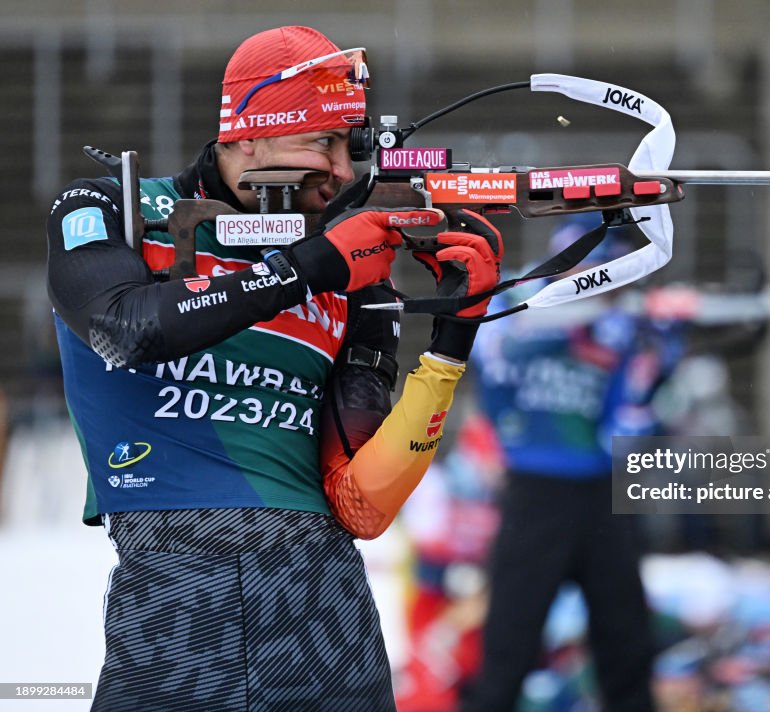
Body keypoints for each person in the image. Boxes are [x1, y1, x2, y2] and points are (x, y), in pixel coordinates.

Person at [46, 26, 501, 711]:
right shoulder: (115, 208)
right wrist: (307, 268)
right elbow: (125, 327)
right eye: (323, 141)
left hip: (327, 609)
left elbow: (361, 504)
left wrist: (451, 342)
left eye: (352, 148)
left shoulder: (351, 267)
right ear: (250, 134)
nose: (345, 171)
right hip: (174, 596)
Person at [460, 216, 678, 712]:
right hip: (534, 490)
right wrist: (572, 318)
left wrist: (657, 345)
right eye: (592, 270)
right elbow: (492, 357)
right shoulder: (515, 300)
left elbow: (631, 423)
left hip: (600, 490)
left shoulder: (622, 324)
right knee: (509, 643)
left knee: (626, 639)